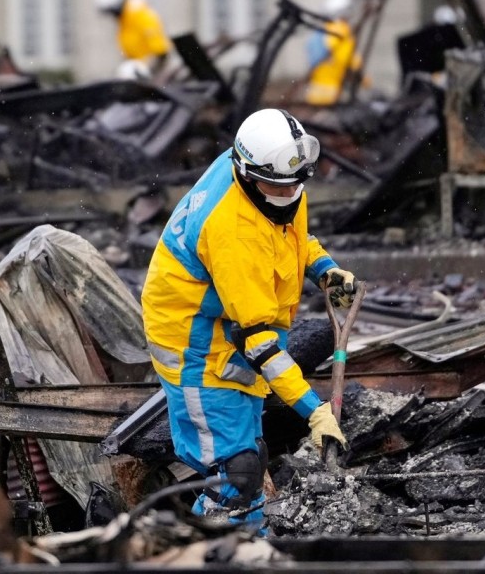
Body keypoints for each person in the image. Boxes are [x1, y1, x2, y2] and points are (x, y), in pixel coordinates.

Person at [141, 109, 356, 527]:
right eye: (277, 187)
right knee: (235, 476)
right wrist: (313, 410)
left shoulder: (278, 177)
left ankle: (248, 547)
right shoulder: (233, 234)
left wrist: (324, 270)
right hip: (195, 346)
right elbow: (258, 342)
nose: (288, 194)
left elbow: (291, 236)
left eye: (295, 185)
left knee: (250, 457)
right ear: (245, 171)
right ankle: (208, 550)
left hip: (229, 323)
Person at [94, 0, 170, 77]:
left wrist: (143, 70)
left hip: (157, 76)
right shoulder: (124, 24)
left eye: (112, 12)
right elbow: (130, 54)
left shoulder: (143, 17)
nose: (113, 17)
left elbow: (160, 53)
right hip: (141, 77)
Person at [304, 0, 361, 106]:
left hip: (317, 91)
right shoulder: (340, 31)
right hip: (334, 93)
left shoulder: (321, 31)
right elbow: (349, 60)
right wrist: (363, 80)